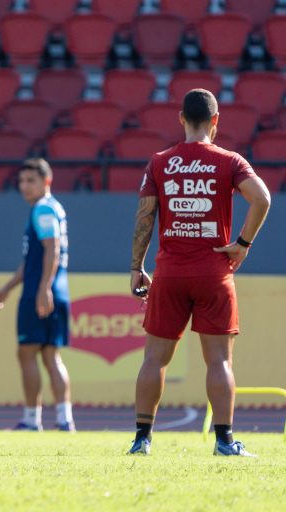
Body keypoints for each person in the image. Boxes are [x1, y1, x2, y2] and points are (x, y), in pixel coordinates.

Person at [128, 89, 270, 456]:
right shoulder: (229, 161)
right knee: (220, 360)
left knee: (154, 358)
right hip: (214, 272)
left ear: (181, 119)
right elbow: (263, 199)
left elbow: (145, 217)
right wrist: (243, 243)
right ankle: (224, 441)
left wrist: (136, 267)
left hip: (170, 272)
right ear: (216, 120)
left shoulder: (160, 162)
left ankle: (142, 440)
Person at [0, 158, 75, 432]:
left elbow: (52, 250)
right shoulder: (55, 208)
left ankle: (31, 420)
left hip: (42, 292)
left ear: (46, 182)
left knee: (27, 354)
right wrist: (7, 288)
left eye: (31, 181)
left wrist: (42, 289)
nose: (24, 186)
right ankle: (64, 420)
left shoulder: (43, 209)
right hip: (56, 291)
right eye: (21, 181)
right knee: (51, 356)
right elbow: (33, 260)